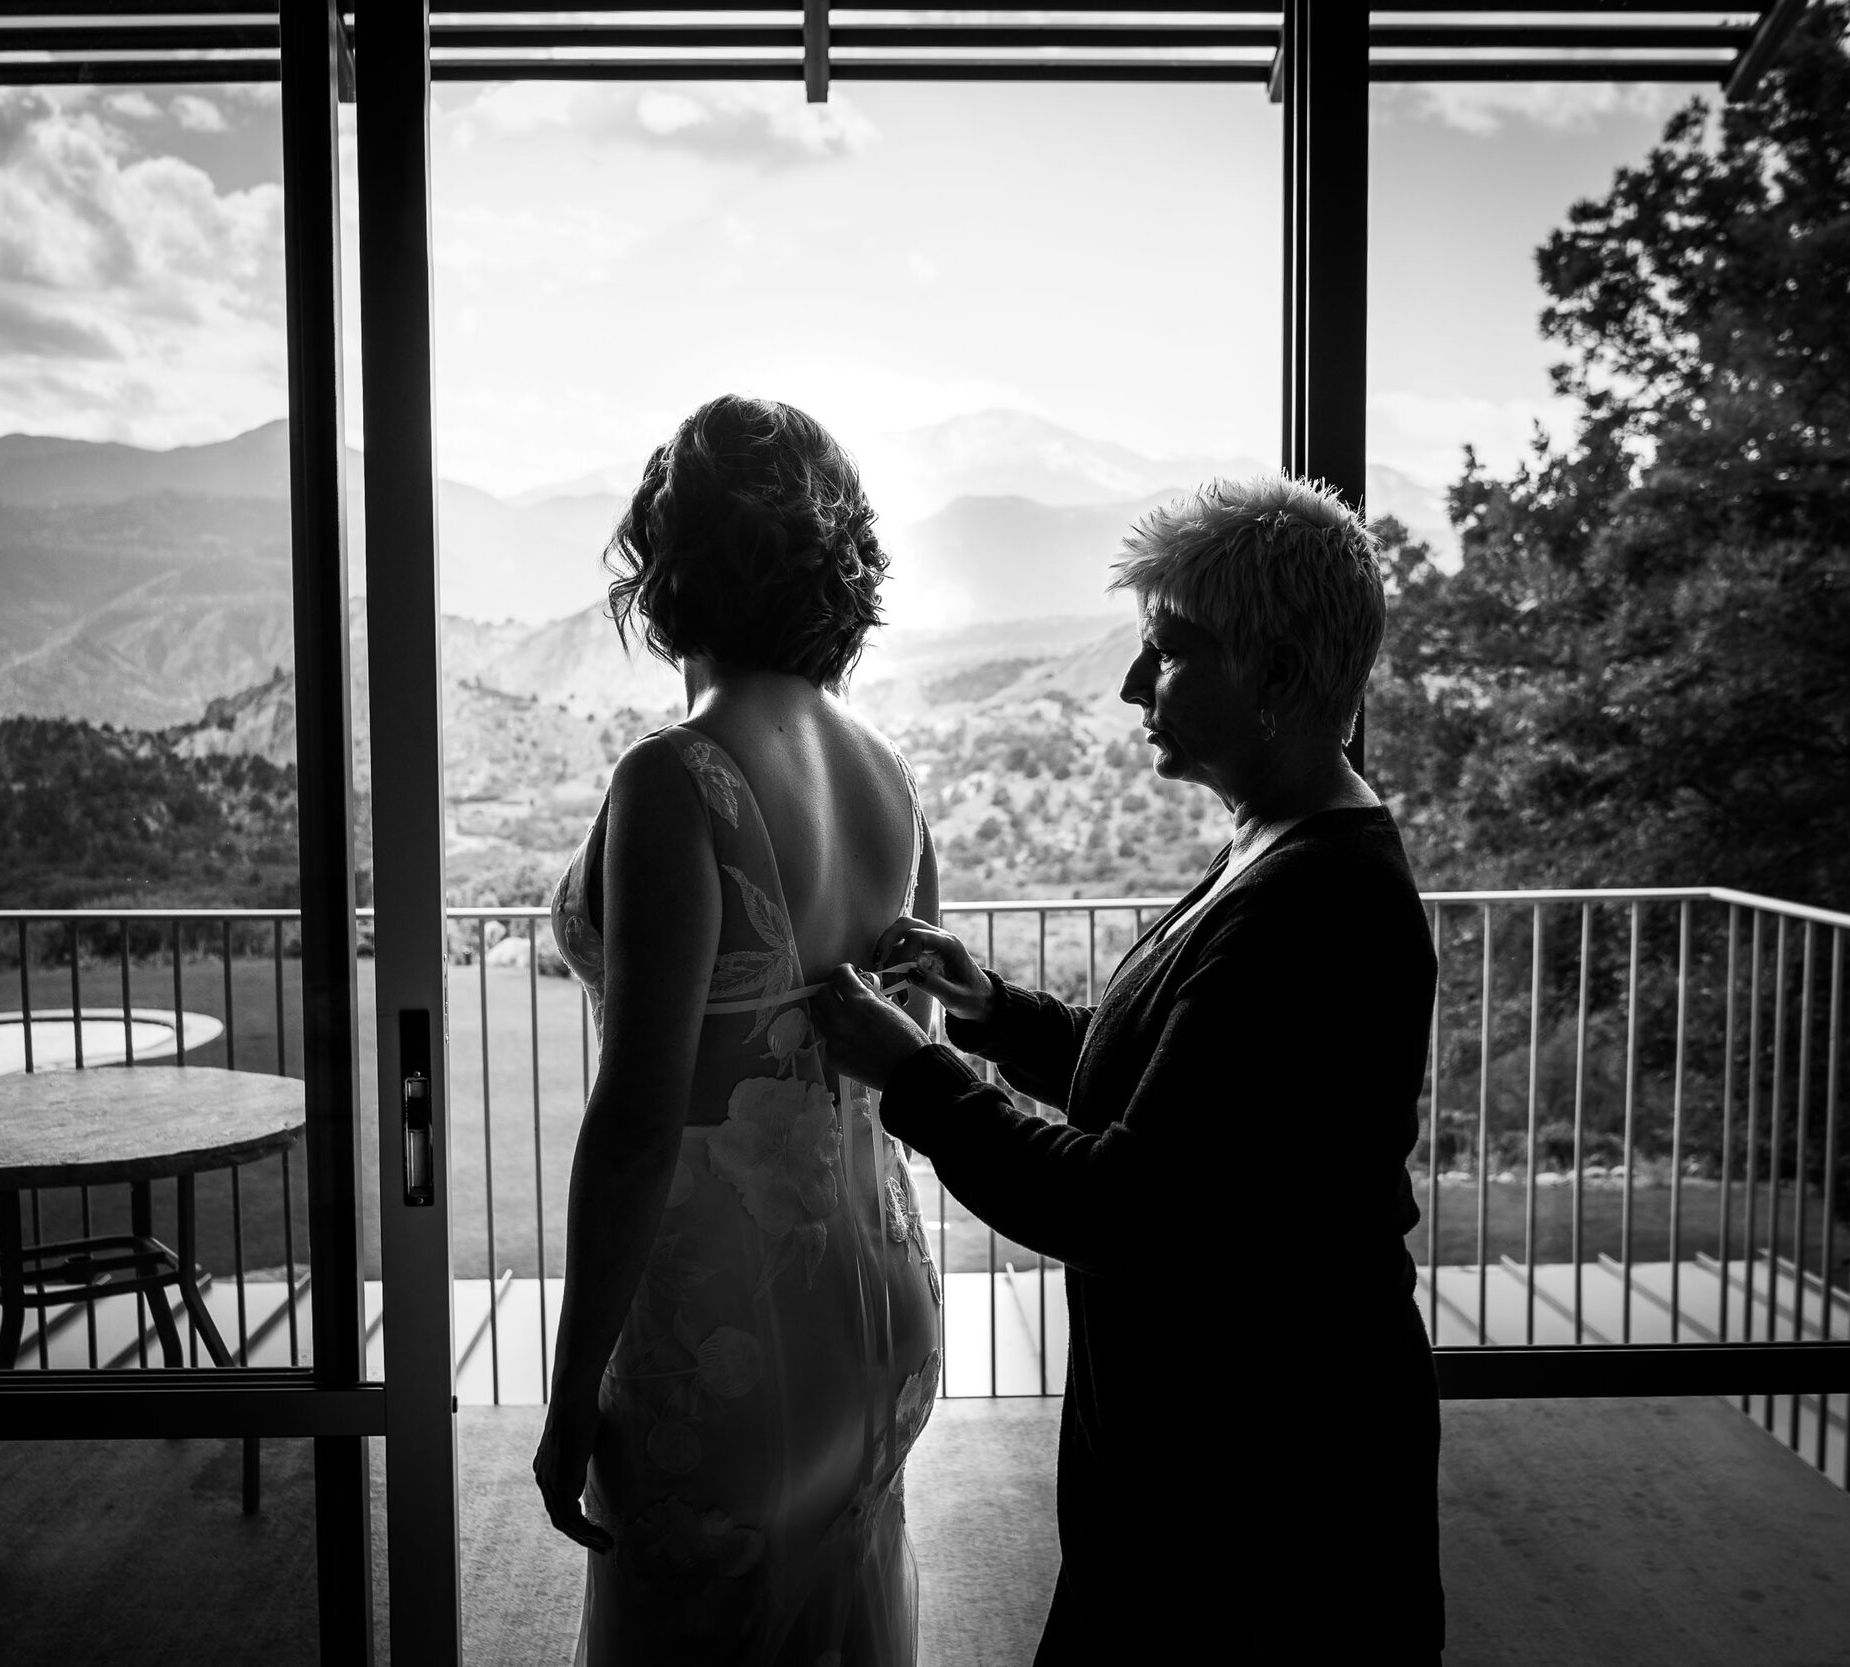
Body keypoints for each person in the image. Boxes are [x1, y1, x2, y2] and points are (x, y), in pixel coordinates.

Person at [811, 476, 1444, 1663]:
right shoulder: (1276, 843)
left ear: (1277, 669)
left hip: (1265, 1487)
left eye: (1168, 650)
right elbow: (1182, 1079)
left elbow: (1126, 1202)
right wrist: (992, 1010)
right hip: (1207, 1453)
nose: (1132, 683)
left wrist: (917, 1076)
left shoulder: (1320, 903)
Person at [535, 394, 947, 1665]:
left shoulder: (675, 777)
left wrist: (565, 1396)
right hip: (877, 1304)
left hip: (726, 1333)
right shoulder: (888, 773)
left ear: (667, 562)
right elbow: (911, 1046)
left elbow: (638, 1118)